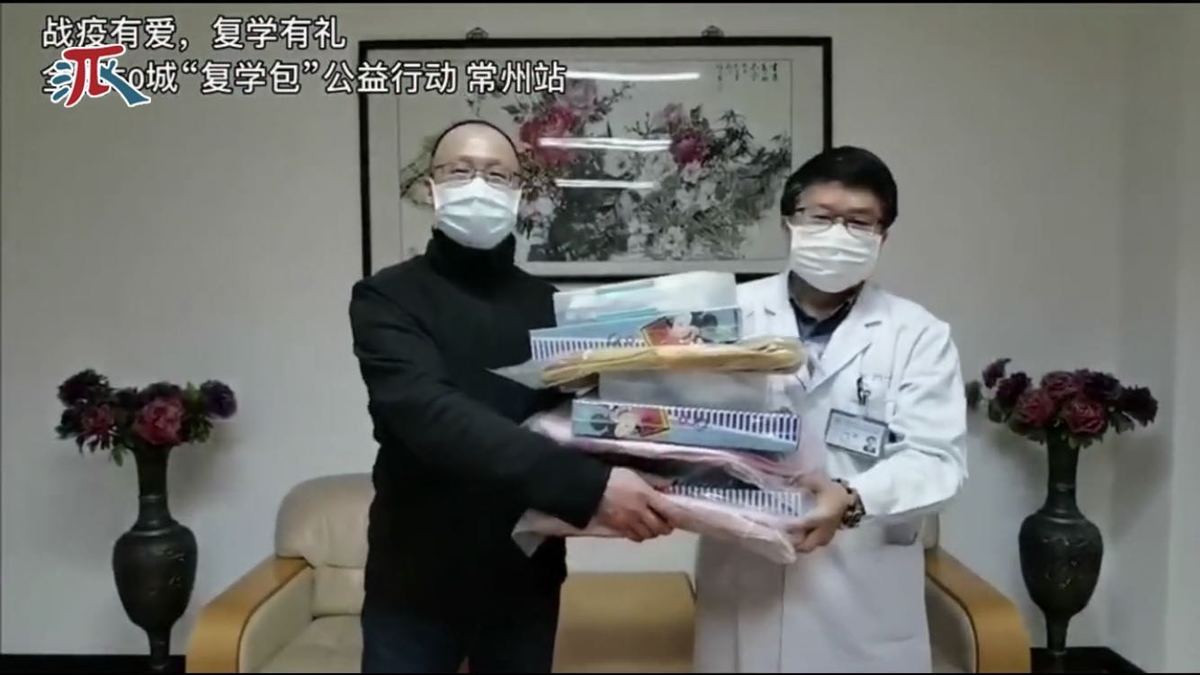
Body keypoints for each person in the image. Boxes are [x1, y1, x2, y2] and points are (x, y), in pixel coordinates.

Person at [349, 119, 674, 674]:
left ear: (520, 195)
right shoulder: (386, 297)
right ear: (430, 187)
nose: (479, 185)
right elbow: (431, 416)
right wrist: (591, 487)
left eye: (497, 175)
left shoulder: (550, 306)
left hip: (524, 581)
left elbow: (589, 418)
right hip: (413, 583)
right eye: (460, 171)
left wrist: (682, 443)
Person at [692, 146, 969, 673]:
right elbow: (678, 427)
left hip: (861, 596)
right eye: (821, 217)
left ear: (883, 236)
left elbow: (938, 463)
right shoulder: (725, 316)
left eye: (859, 222)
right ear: (789, 223)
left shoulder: (918, 334)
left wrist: (852, 499)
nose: (838, 234)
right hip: (745, 579)